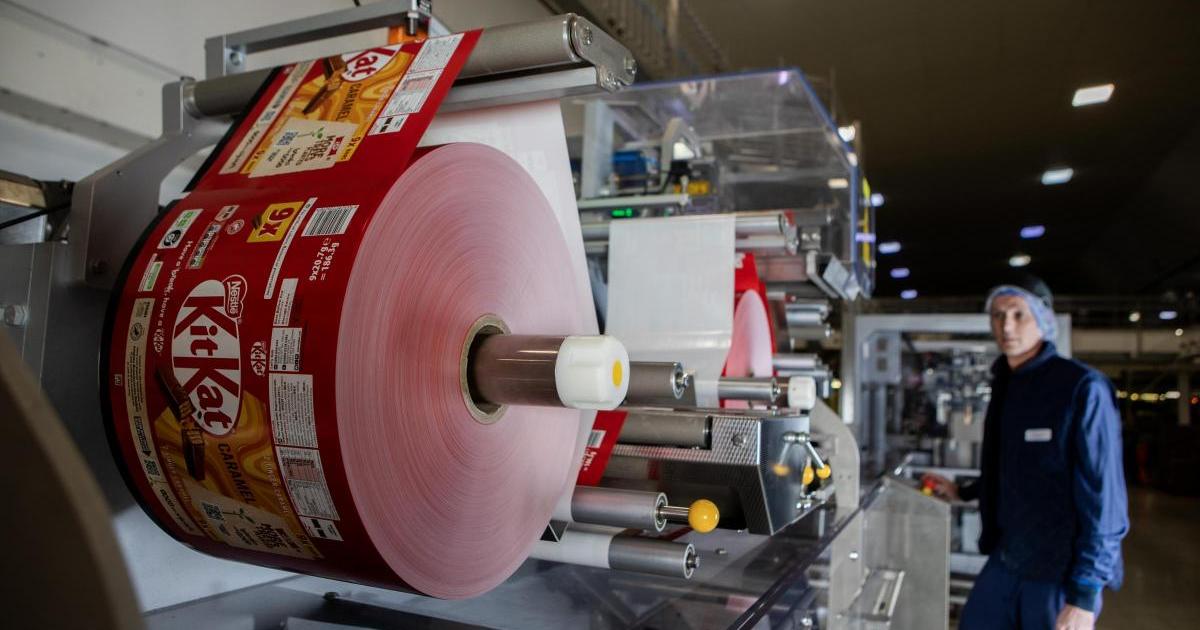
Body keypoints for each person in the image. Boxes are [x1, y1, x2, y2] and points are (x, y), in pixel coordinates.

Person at [922, 276, 1128, 630]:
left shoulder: (1080, 387)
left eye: (1019, 314)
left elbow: (1105, 499)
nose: (1007, 326)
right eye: (998, 316)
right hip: (1009, 555)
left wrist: (1084, 594)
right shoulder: (1006, 384)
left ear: (1044, 320)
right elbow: (1014, 467)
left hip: (1059, 569)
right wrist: (964, 492)